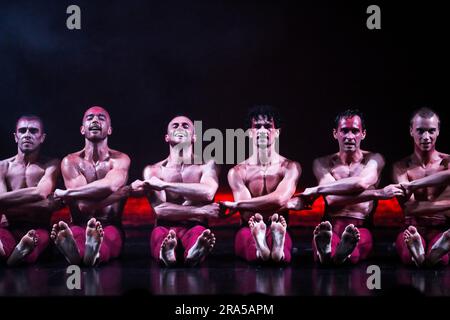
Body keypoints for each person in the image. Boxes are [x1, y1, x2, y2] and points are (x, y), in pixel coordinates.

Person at [294, 109, 399, 265]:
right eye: (344, 130)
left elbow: (361, 182)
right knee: (324, 240)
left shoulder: (374, 159)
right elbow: (333, 198)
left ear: (363, 134)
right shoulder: (322, 163)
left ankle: (332, 256)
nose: (349, 136)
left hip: (361, 227)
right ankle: (331, 254)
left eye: (355, 131)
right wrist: (377, 193)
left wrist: (317, 189)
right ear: (335, 133)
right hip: (330, 227)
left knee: (354, 247)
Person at [132, 116, 219, 267]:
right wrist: (203, 211)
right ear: (167, 137)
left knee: (199, 233)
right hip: (165, 227)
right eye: (175, 125)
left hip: (194, 226)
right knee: (159, 234)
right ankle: (166, 254)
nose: (180, 128)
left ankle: (193, 252)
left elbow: (208, 192)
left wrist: (164, 185)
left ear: (194, 137)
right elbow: (160, 210)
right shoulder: (154, 170)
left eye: (186, 126)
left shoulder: (206, 166)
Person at [51, 106, 130, 266]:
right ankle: (86, 253)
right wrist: (118, 195)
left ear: (109, 130)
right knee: (77, 235)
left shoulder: (121, 159)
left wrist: (67, 194)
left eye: (101, 118)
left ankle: (88, 252)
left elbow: (109, 186)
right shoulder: (70, 161)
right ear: (82, 129)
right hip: (79, 223)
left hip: (110, 225)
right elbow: (83, 205)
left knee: (108, 238)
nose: (95, 120)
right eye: (90, 118)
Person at [221, 105, 301, 264]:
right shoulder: (237, 172)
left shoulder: (290, 167)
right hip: (249, 227)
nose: (263, 130)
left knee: (282, 252)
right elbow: (246, 214)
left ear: (277, 132)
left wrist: (236, 205)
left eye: (268, 126)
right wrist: (287, 205)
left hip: (278, 225)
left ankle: (274, 248)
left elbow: (279, 199)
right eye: (257, 126)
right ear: (250, 133)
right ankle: (262, 249)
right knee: (250, 246)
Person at [0, 115, 60, 266]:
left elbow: (40, 192)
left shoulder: (51, 165)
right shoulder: (2, 166)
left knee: (37, 242)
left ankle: (20, 254)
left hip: (38, 226)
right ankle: (11, 254)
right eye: (22, 130)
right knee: (1, 243)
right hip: (8, 228)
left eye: (33, 131)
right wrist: (41, 205)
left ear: (42, 137)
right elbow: (1, 200)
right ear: (15, 137)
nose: (27, 134)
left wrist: (8, 206)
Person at [393, 107, 450, 267]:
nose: (426, 137)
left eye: (431, 131)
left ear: (438, 131)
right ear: (411, 131)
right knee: (407, 253)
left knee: (443, 258)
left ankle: (430, 256)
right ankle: (426, 256)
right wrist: (445, 205)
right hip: (412, 228)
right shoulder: (401, 166)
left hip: (440, 228)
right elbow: (410, 208)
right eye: (420, 131)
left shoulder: (447, 162)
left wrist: (413, 184)